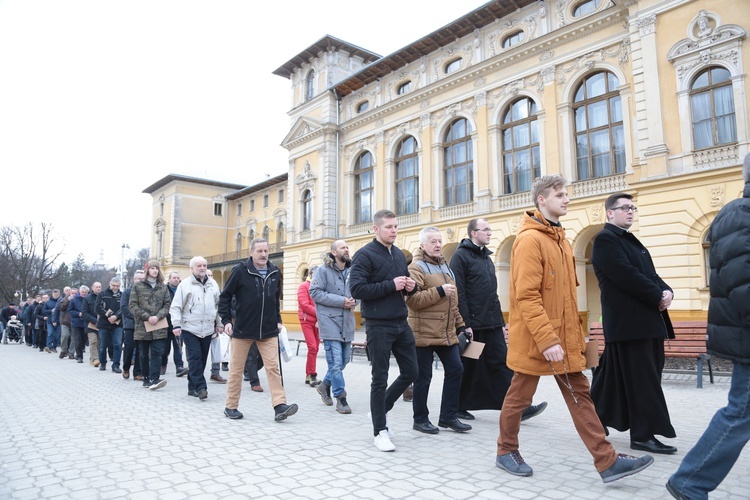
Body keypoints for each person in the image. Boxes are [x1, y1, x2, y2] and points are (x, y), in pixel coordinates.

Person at [496, 175, 653, 483]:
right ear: (542, 200)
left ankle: (607, 461)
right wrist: (547, 338)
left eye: (566, 194)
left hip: (563, 340)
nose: (567, 199)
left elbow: (566, 298)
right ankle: (505, 451)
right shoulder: (530, 240)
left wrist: (574, 336)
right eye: (560, 195)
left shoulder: (561, 239)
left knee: (580, 394)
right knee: (519, 396)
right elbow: (526, 297)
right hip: (537, 340)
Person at [666, 154, 750, 499]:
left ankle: (691, 480)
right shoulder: (739, 213)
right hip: (745, 336)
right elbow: (740, 281)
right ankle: (690, 480)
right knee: (740, 412)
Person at [590, 193, 677, 454]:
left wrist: (666, 291)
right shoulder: (605, 240)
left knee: (612, 379)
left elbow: (650, 274)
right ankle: (642, 435)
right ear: (609, 213)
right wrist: (656, 295)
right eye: (624, 208)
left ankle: (593, 420)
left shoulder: (628, 240)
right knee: (643, 381)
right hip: (631, 325)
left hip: (641, 323)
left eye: (632, 207)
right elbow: (626, 276)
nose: (630, 211)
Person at [450, 218, 546, 422]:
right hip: (474, 326)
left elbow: (492, 293)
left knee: (503, 362)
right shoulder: (460, 256)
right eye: (485, 229)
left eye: (489, 229)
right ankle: (457, 406)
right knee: (470, 366)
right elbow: (460, 293)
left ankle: (519, 407)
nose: (490, 233)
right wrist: (465, 324)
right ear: (473, 233)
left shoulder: (486, 258)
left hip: (492, 324)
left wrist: (501, 322)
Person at [349, 209, 419, 452]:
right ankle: (380, 431)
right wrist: (392, 285)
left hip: (401, 321)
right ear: (376, 229)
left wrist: (411, 286)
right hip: (378, 325)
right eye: (389, 227)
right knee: (379, 379)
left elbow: (405, 283)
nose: (394, 231)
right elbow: (357, 289)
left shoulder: (399, 254)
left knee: (412, 371)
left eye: (396, 226)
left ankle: (379, 409)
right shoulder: (364, 255)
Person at [218, 237, 298, 422]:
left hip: (268, 331)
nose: (263, 254)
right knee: (236, 370)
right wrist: (226, 320)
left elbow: (274, 300)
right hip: (242, 329)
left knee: (272, 368)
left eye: (266, 251)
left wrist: (278, 320)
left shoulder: (275, 272)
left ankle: (280, 406)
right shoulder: (240, 271)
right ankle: (231, 407)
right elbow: (225, 297)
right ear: (251, 252)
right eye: (259, 251)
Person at [407, 227, 471, 434]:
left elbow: (453, 303)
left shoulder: (446, 268)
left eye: (439, 241)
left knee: (456, 370)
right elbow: (413, 301)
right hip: (423, 333)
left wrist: (461, 324)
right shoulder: (415, 268)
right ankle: (420, 419)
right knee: (423, 378)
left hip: (446, 332)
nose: (437, 245)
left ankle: (448, 417)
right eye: (432, 241)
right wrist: (439, 291)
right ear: (422, 245)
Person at [310, 239, 356, 414]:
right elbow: (314, 293)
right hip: (329, 322)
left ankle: (324, 384)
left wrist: (354, 301)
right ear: (334, 253)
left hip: (347, 322)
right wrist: (341, 301)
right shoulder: (323, 270)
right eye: (343, 247)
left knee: (343, 361)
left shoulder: (352, 271)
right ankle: (341, 398)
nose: (346, 249)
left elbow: (357, 291)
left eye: (347, 247)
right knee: (335, 363)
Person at [170, 256, 223, 400]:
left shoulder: (213, 284)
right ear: (192, 268)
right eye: (199, 265)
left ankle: (191, 387)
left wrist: (219, 323)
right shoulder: (185, 285)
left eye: (204, 265)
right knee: (194, 358)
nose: (202, 268)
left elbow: (218, 306)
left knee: (202, 360)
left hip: (207, 328)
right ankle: (201, 387)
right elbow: (175, 307)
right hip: (190, 328)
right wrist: (176, 324)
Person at [129, 260, 172, 390]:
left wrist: (157, 316)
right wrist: (147, 317)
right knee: (143, 354)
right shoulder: (138, 286)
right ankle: (146, 377)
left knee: (157, 352)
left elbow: (167, 304)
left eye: (157, 268)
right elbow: (132, 305)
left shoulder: (163, 287)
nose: (155, 271)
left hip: (158, 325)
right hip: (142, 326)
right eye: (152, 268)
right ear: (148, 270)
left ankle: (155, 378)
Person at [298, 265, 321, 386]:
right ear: (311, 274)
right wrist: (320, 313)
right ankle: (312, 375)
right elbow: (304, 304)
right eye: (316, 274)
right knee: (312, 347)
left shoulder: (319, 287)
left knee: (316, 347)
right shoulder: (303, 286)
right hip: (306, 320)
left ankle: (309, 375)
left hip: (317, 321)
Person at [96, 277, 124, 373]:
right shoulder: (102, 294)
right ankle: (103, 363)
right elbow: (97, 307)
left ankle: (116, 365)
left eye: (118, 286)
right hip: (104, 324)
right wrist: (109, 315)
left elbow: (124, 308)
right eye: (114, 285)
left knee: (118, 344)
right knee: (102, 345)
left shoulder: (122, 295)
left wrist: (116, 317)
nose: (116, 288)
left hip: (118, 324)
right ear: (110, 284)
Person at [163, 271, 188, 377]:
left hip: (179, 322)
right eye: (174, 277)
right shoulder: (164, 290)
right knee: (165, 347)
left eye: (178, 278)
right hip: (166, 322)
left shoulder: (183, 289)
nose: (176, 279)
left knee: (178, 346)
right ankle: (162, 365)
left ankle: (179, 367)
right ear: (169, 279)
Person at [121, 270, 144, 380]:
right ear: (134, 279)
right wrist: (136, 317)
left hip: (142, 325)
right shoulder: (127, 292)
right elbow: (124, 307)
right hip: (130, 324)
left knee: (140, 349)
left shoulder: (145, 292)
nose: (140, 281)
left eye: (142, 279)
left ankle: (137, 373)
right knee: (129, 347)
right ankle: (126, 368)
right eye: (138, 278)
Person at [205, 269, 226, 385]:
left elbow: (220, 307)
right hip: (198, 326)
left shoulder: (216, 289)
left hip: (213, 324)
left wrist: (220, 323)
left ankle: (215, 372)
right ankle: (196, 373)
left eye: (211, 275)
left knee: (216, 349)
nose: (209, 277)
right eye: (207, 275)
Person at [68, 287, 89, 362]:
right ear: (79, 292)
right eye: (82, 292)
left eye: (85, 292)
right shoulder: (74, 300)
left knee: (84, 340)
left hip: (86, 322)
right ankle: (79, 356)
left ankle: (80, 351)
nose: (84, 293)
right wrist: (78, 314)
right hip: (76, 323)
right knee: (77, 339)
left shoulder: (88, 299)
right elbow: (69, 310)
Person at [83, 282, 101, 366]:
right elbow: (85, 312)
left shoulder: (103, 297)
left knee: (100, 342)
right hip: (91, 324)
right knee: (93, 341)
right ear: (92, 288)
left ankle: (95, 357)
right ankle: (95, 359)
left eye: (99, 287)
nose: (98, 288)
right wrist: (94, 320)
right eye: (96, 287)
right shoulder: (87, 298)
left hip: (102, 324)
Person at [56, 287, 75, 360]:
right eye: (67, 290)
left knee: (73, 338)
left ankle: (71, 353)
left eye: (70, 290)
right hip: (65, 321)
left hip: (74, 321)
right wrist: (68, 301)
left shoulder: (77, 299)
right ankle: (64, 350)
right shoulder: (63, 299)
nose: (69, 291)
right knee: (65, 335)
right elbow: (60, 308)